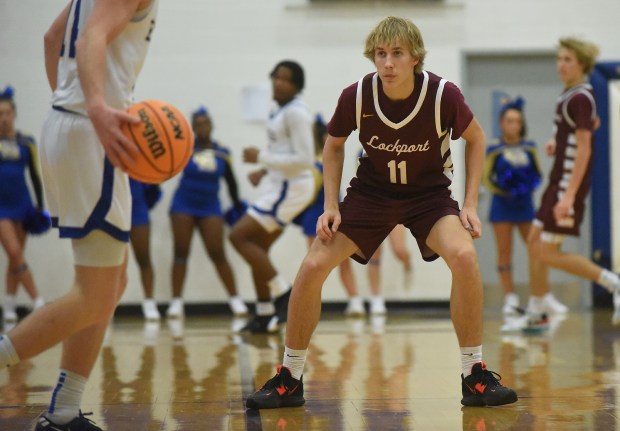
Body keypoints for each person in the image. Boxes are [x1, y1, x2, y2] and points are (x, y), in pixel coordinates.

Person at [245, 16, 517, 409]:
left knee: (464, 256)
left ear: (415, 58)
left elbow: (476, 139)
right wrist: (330, 205)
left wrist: (470, 203)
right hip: (371, 194)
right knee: (312, 266)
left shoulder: (444, 94)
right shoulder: (356, 95)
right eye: (380, 54)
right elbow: (333, 146)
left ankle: (473, 374)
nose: (387, 63)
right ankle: (290, 377)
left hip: (429, 196)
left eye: (396, 54)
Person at [0, 1, 159, 430]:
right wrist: (93, 108)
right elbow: (90, 38)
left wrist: (69, 106)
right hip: (92, 133)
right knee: (95, 295)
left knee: (111, 282)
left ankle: (64, 411)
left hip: (77, 126)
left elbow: (53, 38)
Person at [526, 37, 620, 329]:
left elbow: (585, 148)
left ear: (582, 64)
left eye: (568, 60)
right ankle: (539, 306)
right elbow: (579, 132)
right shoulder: (571, 95)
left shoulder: (581, 97)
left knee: (546, 251)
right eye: (559, 59)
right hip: (557, 183)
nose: (561, 65)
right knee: (533, 242)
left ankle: (612, 281)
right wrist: (557, 141)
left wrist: (567, 197)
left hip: (568, 185)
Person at [229, 60, 316, 333]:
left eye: (286, 79)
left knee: (239, 236)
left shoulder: (297, 114)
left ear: (297, 86)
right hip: (280, 185)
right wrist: (264, 170)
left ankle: (282, 292)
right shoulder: (278, 111)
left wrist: (262, 157)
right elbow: (284, 154)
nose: (279, 82)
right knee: (258, 248)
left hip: (292, 188)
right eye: (277, 77)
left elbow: (304, 159)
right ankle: (265, 314)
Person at [482, 97, 562, 316]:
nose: (513, 125)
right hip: (502, 205)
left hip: (525, 205)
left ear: (522, 124)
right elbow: (485, 178)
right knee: (505, 252)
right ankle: (510, 297)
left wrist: (527, 185)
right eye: (509, 121)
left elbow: (538, 174)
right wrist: (505, 187)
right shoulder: (494, 147)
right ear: (501, 123)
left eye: (517, 121)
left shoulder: (529, 146)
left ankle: (543, 295)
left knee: (537, 249)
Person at [166, 107, 248, 319]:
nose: (202, 127)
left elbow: (231, 183)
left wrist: (238, 206)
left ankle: (236, 300)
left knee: (217, 252)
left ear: (211, 125)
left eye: (205, 123)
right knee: (181, 251)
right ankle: (176, 302)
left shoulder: (222, 152)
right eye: (198, 124)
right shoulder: (185, 149)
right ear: (192, 127)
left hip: (210, 205)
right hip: (183, 204)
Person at [294, 114, 365, 317]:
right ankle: (311, 303)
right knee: (315, 264)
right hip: (314, 216)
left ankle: (355, 300)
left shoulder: (333, 157)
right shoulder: (311, 165)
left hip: (336, 213)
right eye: (325, 136)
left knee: (344, 261)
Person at [0, 87, 49, 322]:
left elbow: (35, 176)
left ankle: (9, 306)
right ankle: (38, 301)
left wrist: (39, 206)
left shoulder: (26, 141)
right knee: (15, 252)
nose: (4, 118)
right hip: (1, 207)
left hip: (22, 203)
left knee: (15, 258)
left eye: (7, 113)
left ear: (14, 114)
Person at [129, 179, 162, 321]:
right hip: (111, 206)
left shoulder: (140, 157)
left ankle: (149, 302)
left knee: (144, 258)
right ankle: (106, 308)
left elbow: (153, 183)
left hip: (137, 208)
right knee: (111, 263)